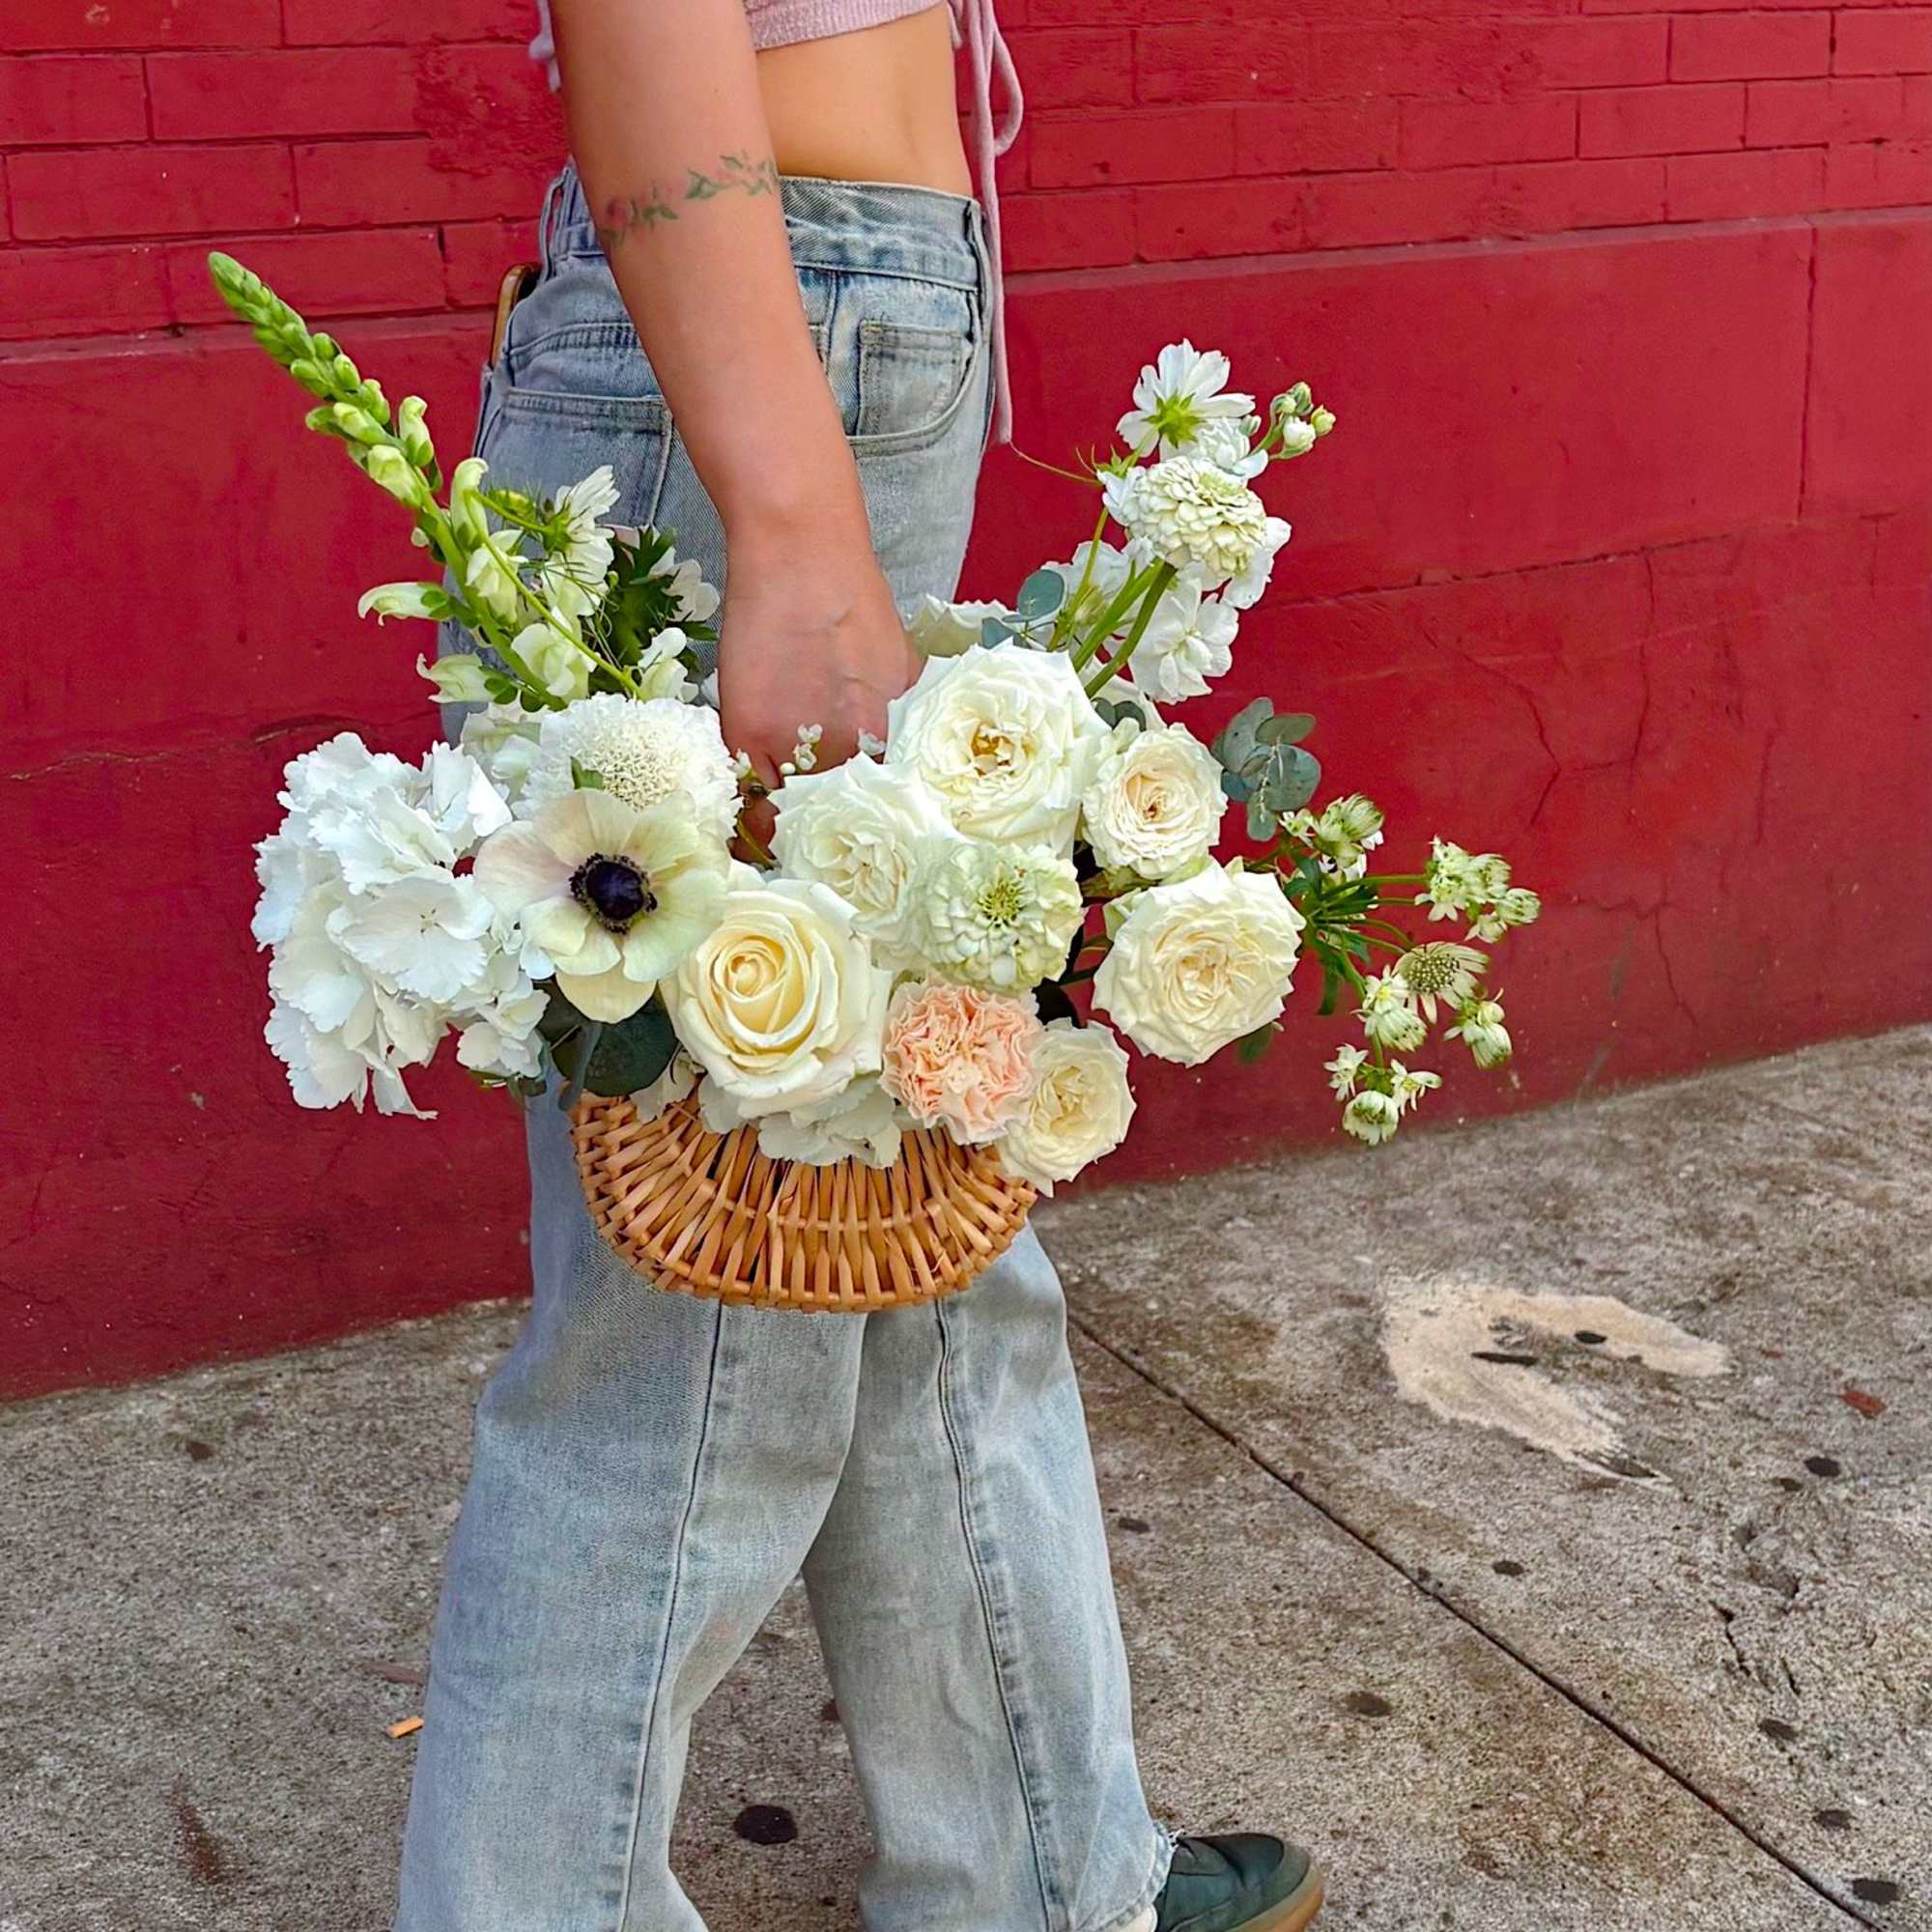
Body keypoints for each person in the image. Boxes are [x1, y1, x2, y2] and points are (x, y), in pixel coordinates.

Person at [394, 1, 1325, 1927]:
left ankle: (1047, 1873)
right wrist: (795, 516)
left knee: (908, 1211)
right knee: (696, 1311)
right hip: (769, 338)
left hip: (819, 320)